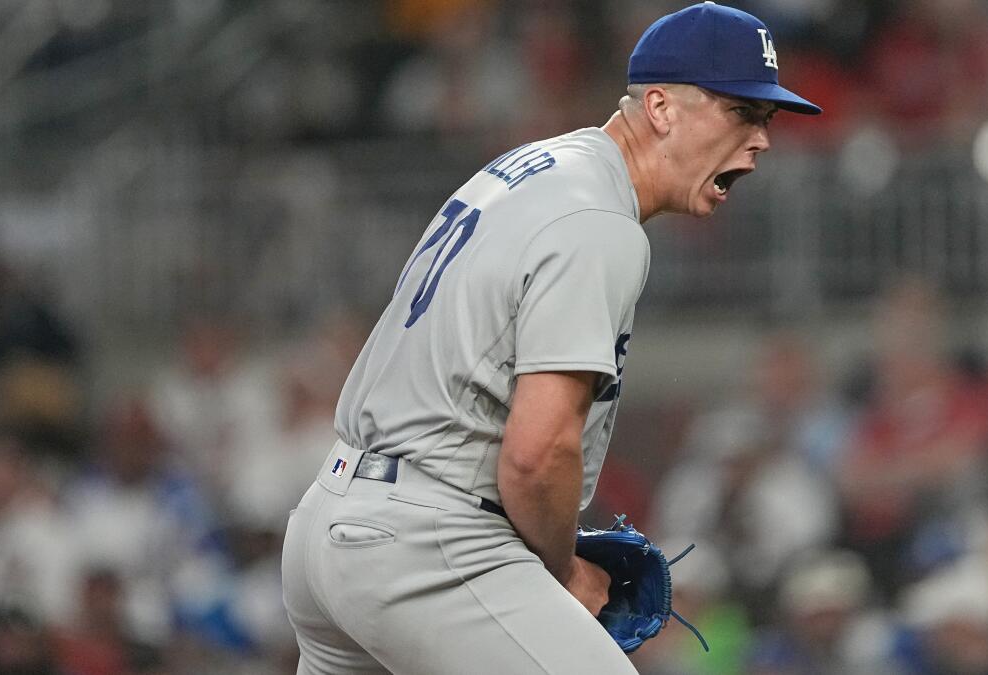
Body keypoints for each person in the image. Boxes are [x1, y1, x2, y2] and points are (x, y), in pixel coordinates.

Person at [281, 3, 821, 673]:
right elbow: (537, 455)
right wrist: (561, 570)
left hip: (332, 517)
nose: (761, 140)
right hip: (425, 539)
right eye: (742, 113)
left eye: (764, 120)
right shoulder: (600, 221)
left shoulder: (533, 168)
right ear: (661, 107)